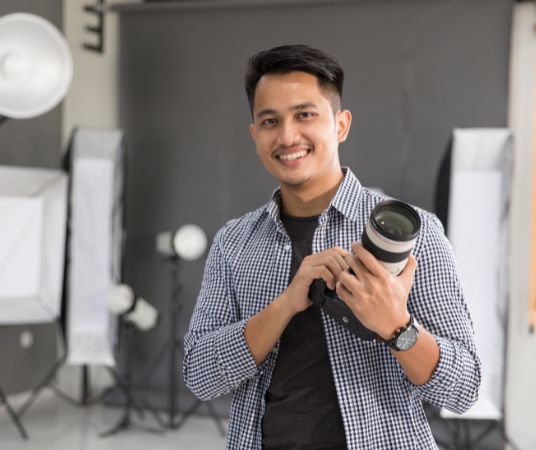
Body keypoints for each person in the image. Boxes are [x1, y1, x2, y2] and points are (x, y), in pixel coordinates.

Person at [183, 44, 480, 450]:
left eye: (305, 115)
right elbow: (200, 375)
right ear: (255, 135)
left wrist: (396, 327)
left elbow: (463, 389)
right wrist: (285, 304)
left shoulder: (416, 231)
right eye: (270, 121)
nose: (287, 136)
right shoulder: (234, 242)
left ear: (340, 125)